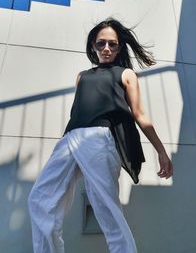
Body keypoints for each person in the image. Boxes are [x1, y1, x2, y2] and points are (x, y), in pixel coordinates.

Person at [28, 18, 173, 253]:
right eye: (101, 43)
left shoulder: (126, 74)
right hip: (69, 139)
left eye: (112, 44)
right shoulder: (82, 76)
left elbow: (140, 115)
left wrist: (161, 151)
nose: (106, 48)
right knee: (39, 199)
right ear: (93, 46)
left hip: (99, 139)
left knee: (107, 210)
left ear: (119, 48)